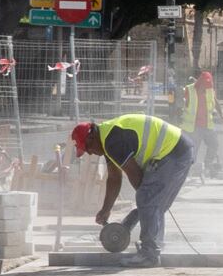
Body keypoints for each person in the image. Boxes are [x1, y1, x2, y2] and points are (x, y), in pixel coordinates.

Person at [73, 112, 192, 267]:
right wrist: (106, 209)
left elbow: (135, 174)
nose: (89, 153)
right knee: (153, 202)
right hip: (176, 150)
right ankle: (156, 244)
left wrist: (135, 216)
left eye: (87, 148)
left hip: (174, 152)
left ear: (91, 138)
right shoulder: (106, 139)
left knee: (149, 199)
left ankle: (149, 254)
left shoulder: (112, 141)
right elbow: (114, 178)